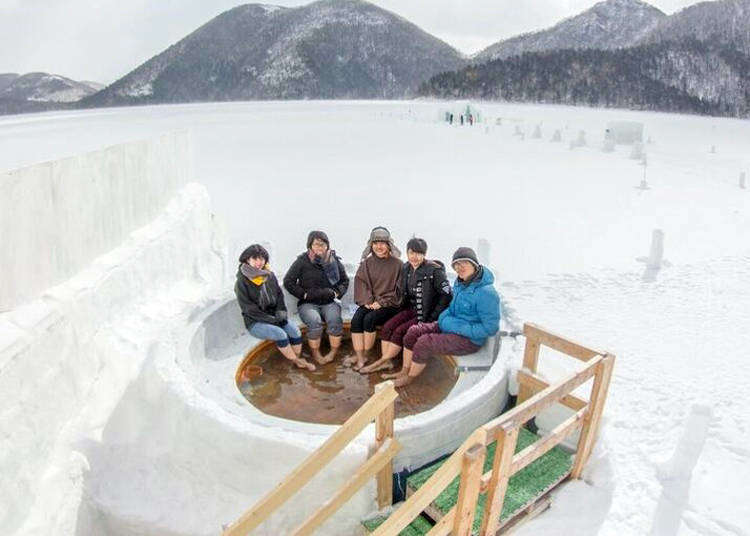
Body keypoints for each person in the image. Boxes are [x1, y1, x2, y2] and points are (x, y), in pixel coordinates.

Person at [388, 247, 500, 387]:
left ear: (474, 264)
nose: (459, 267)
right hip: (449, 326)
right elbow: (451, 308)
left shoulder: (487, 293)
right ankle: (404, 370)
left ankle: (410, 377)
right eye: (456, 264)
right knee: (413, 332)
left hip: (469, 340)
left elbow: (490, 328)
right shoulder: (461, 284)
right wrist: (443, 319)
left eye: (464, 262)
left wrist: (458, 328)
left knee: (424, 343)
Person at [361, 237, 452, 374]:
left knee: (400, 332)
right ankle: (387, 362)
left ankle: (398, 367)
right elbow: (399, 292)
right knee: (387, 327)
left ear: (424, 254)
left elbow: (447, 295)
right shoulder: (406, 268)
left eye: (418, 253)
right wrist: (381, 303)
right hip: (409, 309)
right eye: (411, 252)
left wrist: (434, 315)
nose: (414, 257)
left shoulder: (434, 271)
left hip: (425, 313)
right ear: (407, 253)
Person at [235, 244, 315, 371]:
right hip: (255, 321)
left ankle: (295, 358)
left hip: (275, 316)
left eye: (261, 259)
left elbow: (279, 295)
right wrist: (273, 320)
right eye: (254, 259)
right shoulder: (242, 282)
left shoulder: (269, 275)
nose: (258, 262)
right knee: (280, 334)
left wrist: (281, 312)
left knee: (295, 331)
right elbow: (249, 309)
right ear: (247, 260)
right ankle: (297, 361)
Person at [284, 231, 349, 365]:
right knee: (314, 322)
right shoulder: (302, 261)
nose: (319, 248)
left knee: (335, 320)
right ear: (310, 246)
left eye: (322, 244)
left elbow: (345, 281)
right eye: (316, 244)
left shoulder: (333, 260)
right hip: (308, 303)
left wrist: (336, 293)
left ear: (327, 246)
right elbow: (288, 281)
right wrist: (304, 294)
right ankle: (316, 353)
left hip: (329, 301)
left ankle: (333, 352)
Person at [346, 226, 402, 370]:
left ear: (389, 244)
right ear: (371, 245)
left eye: (382, 243)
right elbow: (360, 282)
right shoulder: (367, 263)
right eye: (375, 243)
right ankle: (359, 356)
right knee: (357, 318)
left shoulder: (398, 264)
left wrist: (381, 303)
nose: (379, 246)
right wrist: (368, 301)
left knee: (369, 319)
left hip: (391, 305)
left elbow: (400, 290)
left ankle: (367, 353)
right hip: (371, 302)